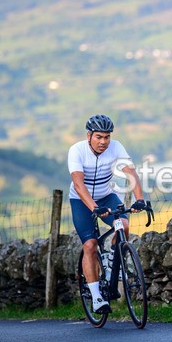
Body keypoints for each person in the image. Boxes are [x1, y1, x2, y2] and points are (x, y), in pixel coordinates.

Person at [68, 114, 146, 314]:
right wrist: (93, 207)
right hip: (81, 199)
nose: (103, 142)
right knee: (90, 245)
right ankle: (96, 297)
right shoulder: (77, 150)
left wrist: (139, 199)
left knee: (124, 226)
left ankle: (112, 264)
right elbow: (78, 184)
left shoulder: (116, 147)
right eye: (99, 137)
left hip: (106, 196)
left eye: (107, 137)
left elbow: (131, 173)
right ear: (89, 136)